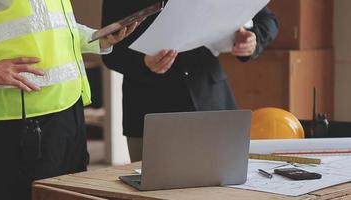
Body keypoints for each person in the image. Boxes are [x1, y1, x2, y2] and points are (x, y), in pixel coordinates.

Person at [0, 0, 139, 199]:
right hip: (19, 119)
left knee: (70, 193)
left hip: (69, 111)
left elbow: (57, 27)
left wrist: (95, 38)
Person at [102, 0, 279, 162]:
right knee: (157, 192)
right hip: (151, 108)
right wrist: (142, 63)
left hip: (212, 100)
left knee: (226, 187)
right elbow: (109, 49)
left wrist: (253, 41)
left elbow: (267, 19)